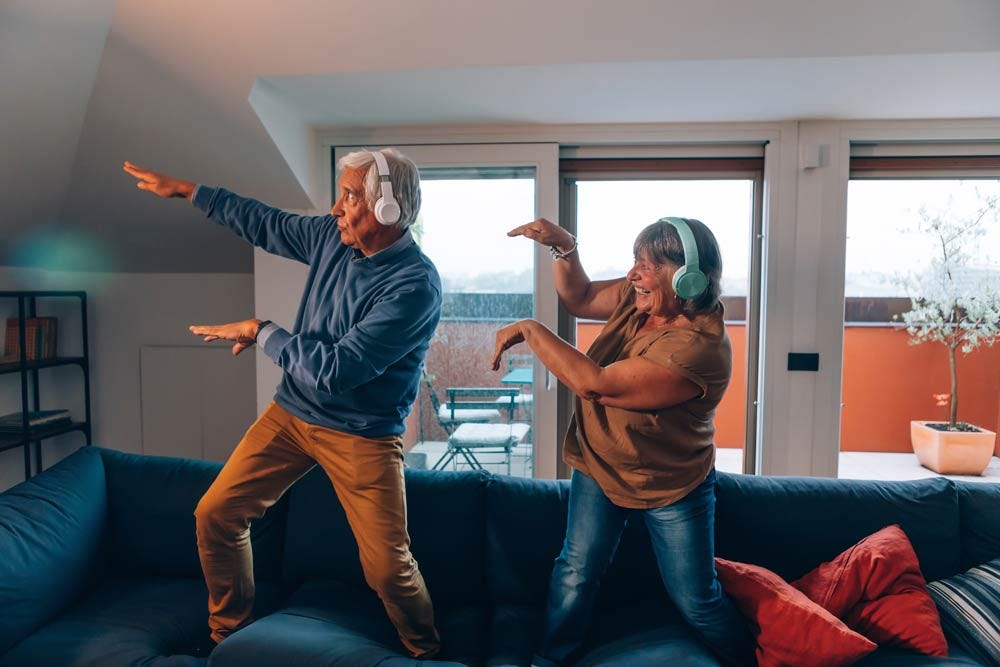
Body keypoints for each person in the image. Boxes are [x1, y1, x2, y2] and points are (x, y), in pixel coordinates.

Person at [122, 149, 444, 659]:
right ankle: (228, 639)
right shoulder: (331, 238)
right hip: (292, 416)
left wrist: (261, 331)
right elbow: (264, 222)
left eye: (351, 196)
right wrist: (190, 191)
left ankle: (426, 650)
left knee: (387, 566)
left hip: (362, 433)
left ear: (388, 210)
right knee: (216, 513)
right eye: (341, 194)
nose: (338, 208)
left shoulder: (414, 286)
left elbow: (336, 370)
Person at [494, 217, 755, 666]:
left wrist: (531, 330)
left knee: (696, 598)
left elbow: (594, 384)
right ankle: (551, 658)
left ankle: (751, 660)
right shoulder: (642, 300)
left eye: (646, 265)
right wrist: (564, 248)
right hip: (600, 462)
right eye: (635, 261)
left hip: (669, 482)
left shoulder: (699, 347)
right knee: (575, 570)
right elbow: (579, 297)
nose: (634, 274)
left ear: (685, 276)